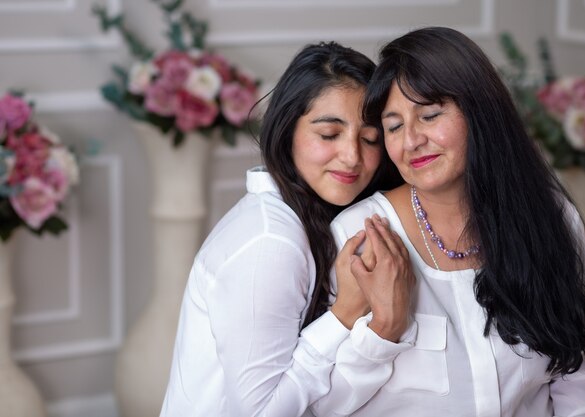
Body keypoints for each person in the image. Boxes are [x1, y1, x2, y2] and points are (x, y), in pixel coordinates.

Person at [310, 27, 585, 416]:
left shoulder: (549, 217)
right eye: (394, 126)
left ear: (480, 112)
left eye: (430, 115)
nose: (412, 139)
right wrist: (383, 329)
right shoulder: (360, 236)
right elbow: (321, 406)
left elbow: (578, 377)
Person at [158, 41, 405, 417]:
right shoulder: (270, 242)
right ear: (288, 130)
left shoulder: (313, 222)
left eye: (369, 139)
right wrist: (345, 314)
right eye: (328, 134)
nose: (353, 156)